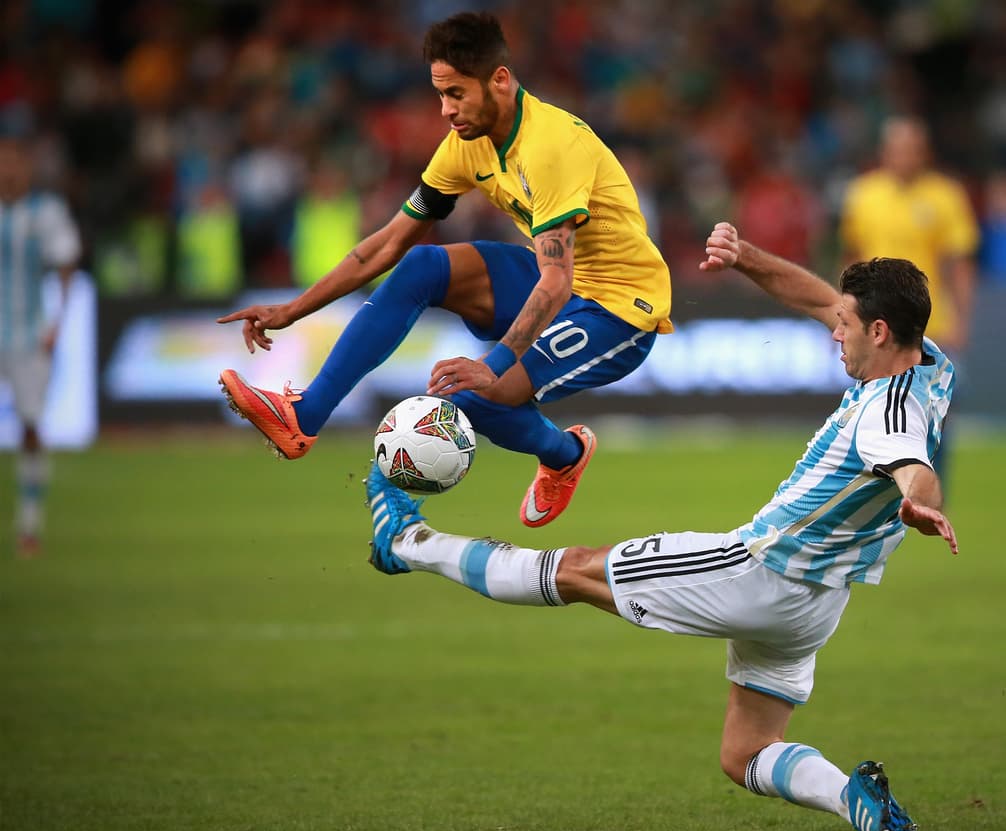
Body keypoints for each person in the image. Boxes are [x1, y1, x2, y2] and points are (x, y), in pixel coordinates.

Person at [360, 222, 957, 831]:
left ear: (880, 332)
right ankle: (853, 799)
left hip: (757, 571)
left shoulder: (888, 413)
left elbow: (913, 463)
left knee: (573, 572)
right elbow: (815, 299)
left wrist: (920, 502)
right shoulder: (932, 368)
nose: (835, 331)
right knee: (746, 753)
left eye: (849, 326)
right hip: (818, 605)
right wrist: (749, 257)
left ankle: (407, 543)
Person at [217, 12, 672, 528]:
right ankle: (303, 417)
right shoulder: (465, 145)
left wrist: (493, 364)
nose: (445, 110)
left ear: (499, 79)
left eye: (456, 93)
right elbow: (385, 245)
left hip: (619, 308)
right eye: (440, 95)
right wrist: (291, 309)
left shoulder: (551, 147)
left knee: (475, 393)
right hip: (560, 283)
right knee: (420, 266)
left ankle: (564, 454)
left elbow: (556, 280)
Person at [838, 116, 977, 486]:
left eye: (911, 149)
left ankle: (928, 497)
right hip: (873, 327)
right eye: (897, 149)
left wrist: (963, 318)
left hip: (933, 325)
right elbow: (850, 258)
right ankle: (874, 497)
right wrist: (844, 315)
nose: (904, 156)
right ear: (885, 152)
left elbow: (958, 264)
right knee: (869, 415)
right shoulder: (863, 195)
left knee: (934, 419)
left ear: (924, 153)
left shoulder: (946, 195)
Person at [0, 135, 81, 558]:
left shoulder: (44, 213)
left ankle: (29, 524)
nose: (8, 171)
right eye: (3, 163)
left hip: (28, 335)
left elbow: (67, 264)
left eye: (14, 163)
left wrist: (57, 323)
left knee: (30, 427)